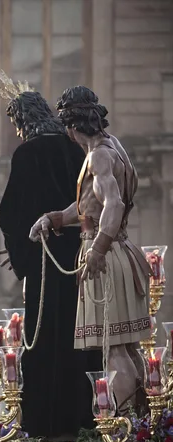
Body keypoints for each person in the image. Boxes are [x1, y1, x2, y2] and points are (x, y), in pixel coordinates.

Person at [30, 86, 151, 416]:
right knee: (128, 346)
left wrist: (96, 251)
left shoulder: (97, 156)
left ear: (70, 127)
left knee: (113, 350)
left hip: (105, 258)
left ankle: (123, 433)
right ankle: (141, 426)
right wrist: (54, 218)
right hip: (122, 252)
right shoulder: (114, 148)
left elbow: (114, 203)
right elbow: (91, 204)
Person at [0, 89, 102, 440]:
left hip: (46, 261)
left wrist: (21, 255)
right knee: (84, 338)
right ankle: (90, 423)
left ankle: (46, 426)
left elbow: (9, 213)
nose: (15, 131)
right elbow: (91, 202)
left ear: (24, 120)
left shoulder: (27, 153)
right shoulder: (77, 148)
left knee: (45, 341)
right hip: (83, 260)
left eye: (16, 123)